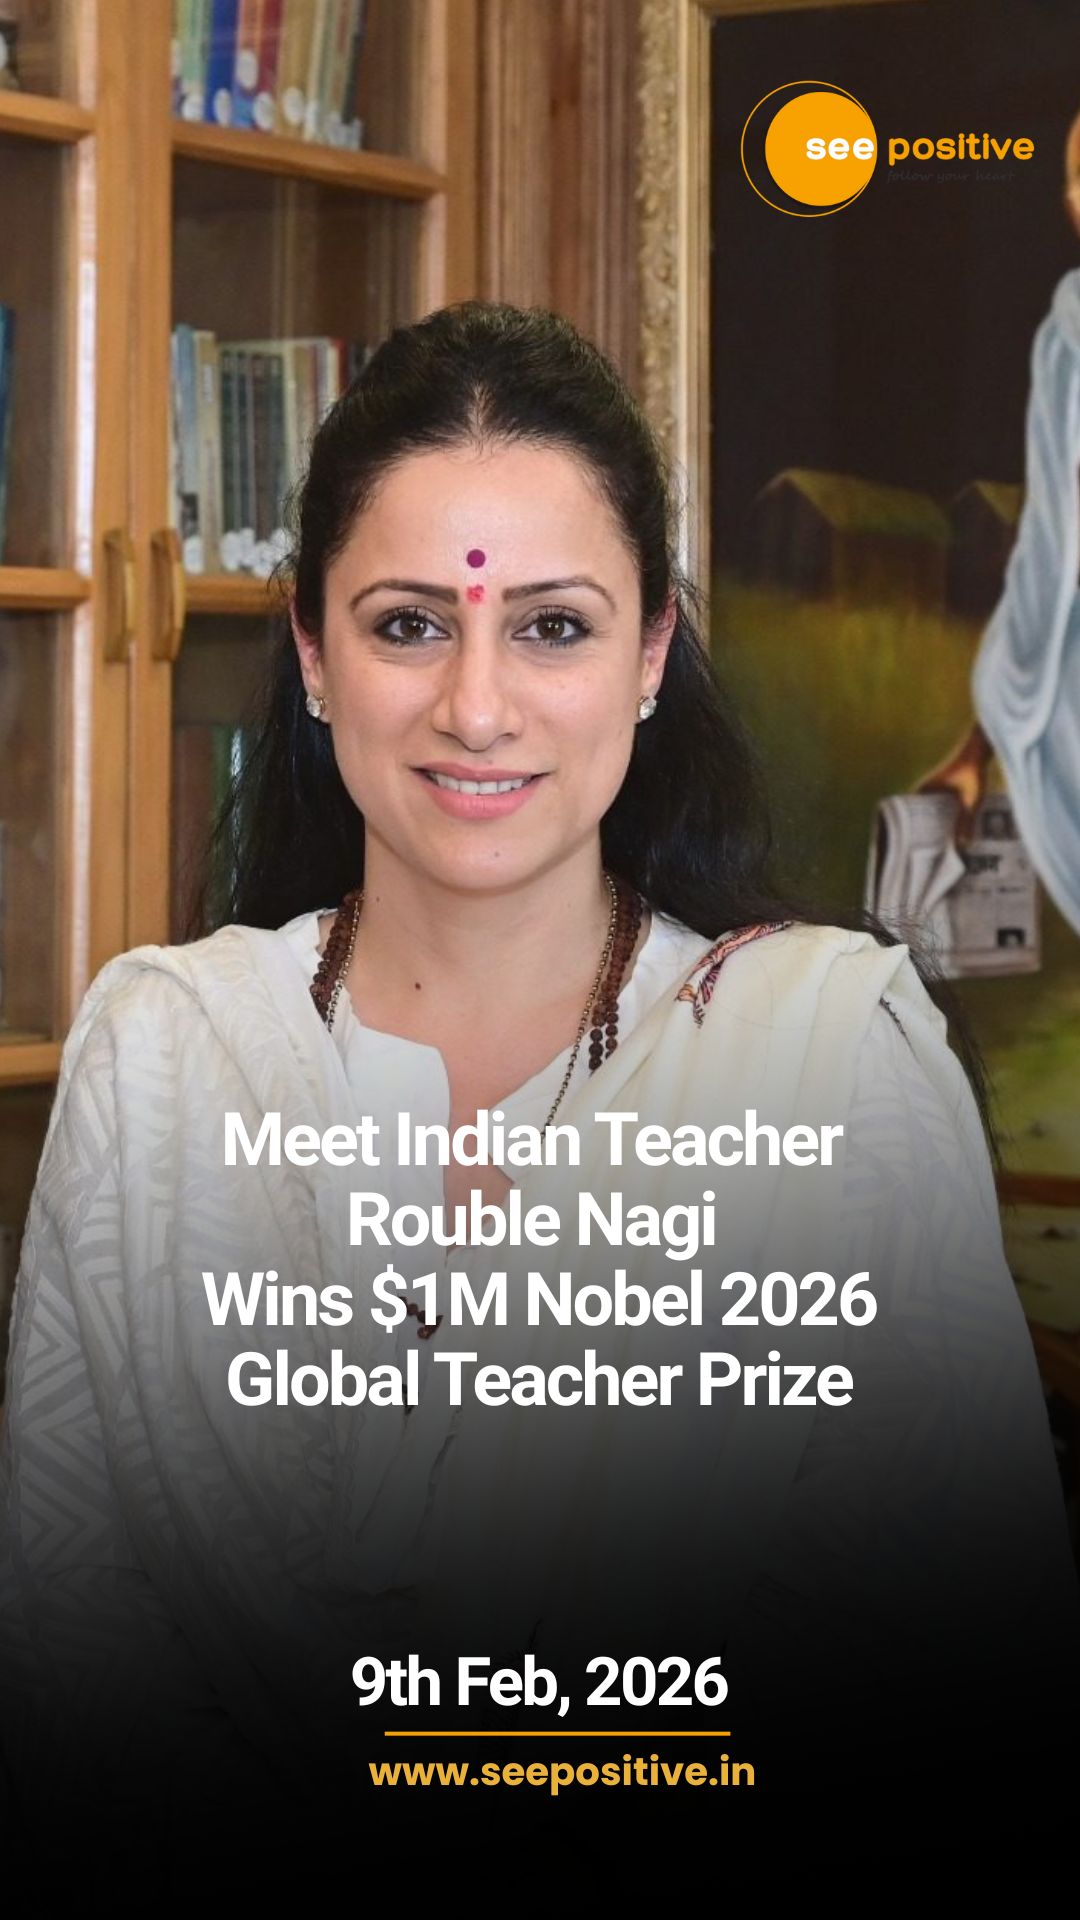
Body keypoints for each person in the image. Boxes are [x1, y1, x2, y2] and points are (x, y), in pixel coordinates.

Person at [0, 303, 1076, 1858]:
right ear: (312, 653)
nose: (478, 706)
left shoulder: (827, 1060)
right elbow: (70, 1691)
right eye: (409, 624)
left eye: (552, 626)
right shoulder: (164, 1057)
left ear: (652, 652)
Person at [919, 112, 1080, 934]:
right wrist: (976, 753)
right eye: (1075, 178)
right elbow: (1049, 551)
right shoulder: (1066, 337)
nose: (1079, 199)